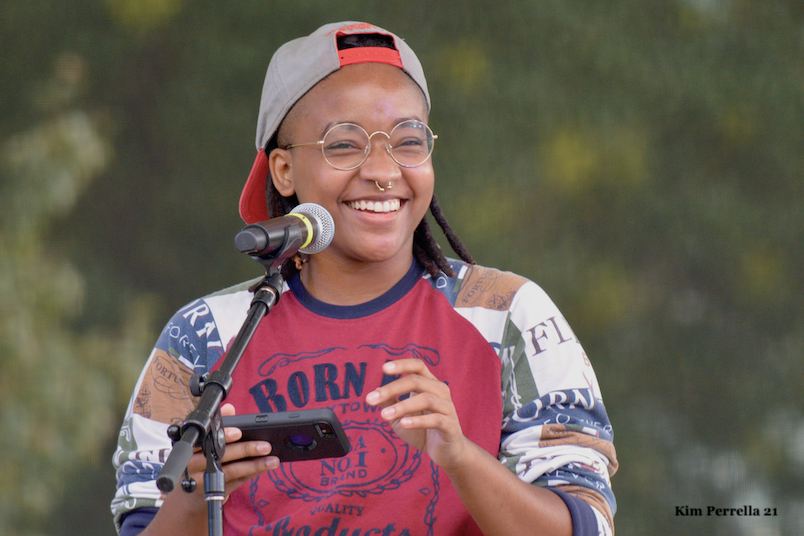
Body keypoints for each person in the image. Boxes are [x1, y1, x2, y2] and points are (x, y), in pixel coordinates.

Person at [111, 21, 618, 536]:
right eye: (345, 145)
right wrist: (196, 501)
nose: (382, 169)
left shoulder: (506, 314)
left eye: (408, 140)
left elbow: (586, 526)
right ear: (283, 170)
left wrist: (461, 457)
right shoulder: (206, 335)